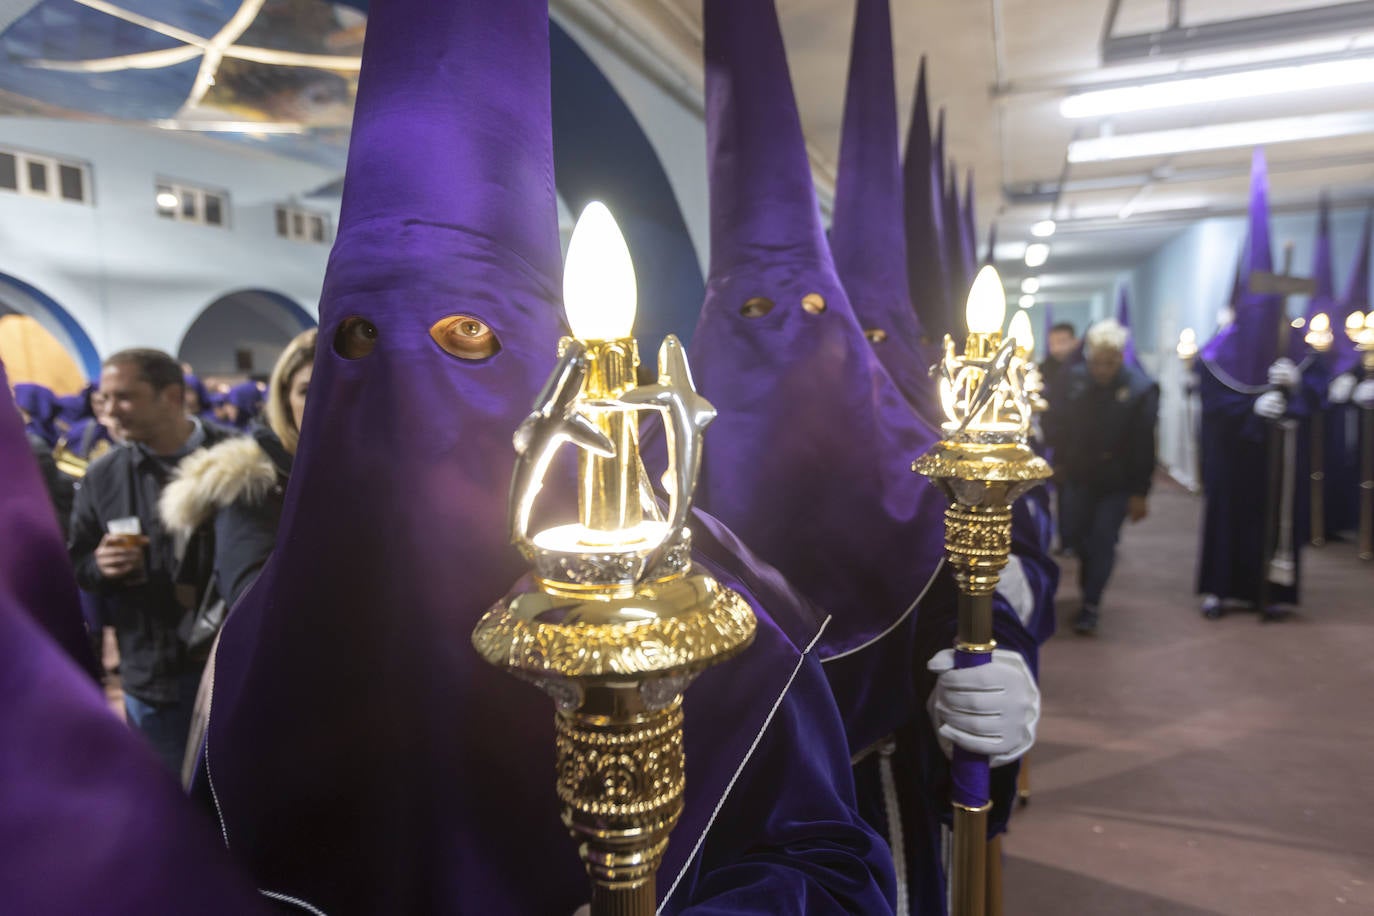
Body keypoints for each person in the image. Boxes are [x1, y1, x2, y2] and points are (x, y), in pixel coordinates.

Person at [67, 348, 235, 771]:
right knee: (169, 809)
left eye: (124, 397)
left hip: (233, 670)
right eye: (103, 399)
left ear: (172, 395)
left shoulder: (236, 461)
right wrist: (98, 566)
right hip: (151, 680)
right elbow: (79, 561)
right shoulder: (103, 475)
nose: (109, 411)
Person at [161, 328, 315, 609]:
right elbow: (253, 601)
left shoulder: (396, 474)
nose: (325, 400)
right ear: (284, 400)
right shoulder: (252, 481)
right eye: (307, 390)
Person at [1045, 319, 1159, 634]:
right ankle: (1087, 588)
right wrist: (1058, 462)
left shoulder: (1140, 389)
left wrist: (1140, 493)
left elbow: (1144, 446)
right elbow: (1059, 423)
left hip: (1117, 481)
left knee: (1103, 541)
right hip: (1078, 476)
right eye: (1096, 363)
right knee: (1075, 537)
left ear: (1120, 358)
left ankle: (1091, 603)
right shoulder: (1075, 381)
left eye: (1109, 363)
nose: (1102, 370)